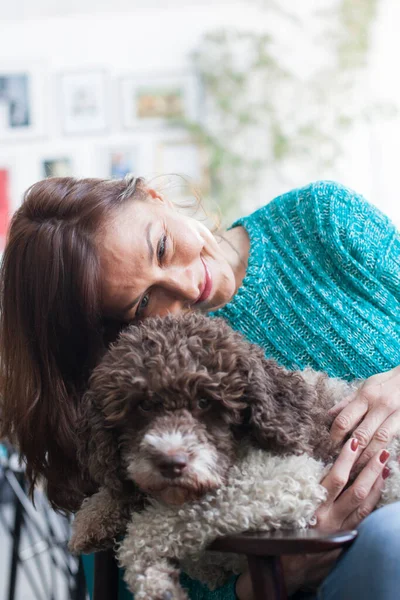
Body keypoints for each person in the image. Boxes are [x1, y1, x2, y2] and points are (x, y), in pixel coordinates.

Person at [1, 175, 400, 600]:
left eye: (162, 248)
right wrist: (274, 574)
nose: (187, 286)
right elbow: (133, 582)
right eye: (142, 303)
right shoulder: (140, 384)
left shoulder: (325, 222)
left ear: (155, 198)